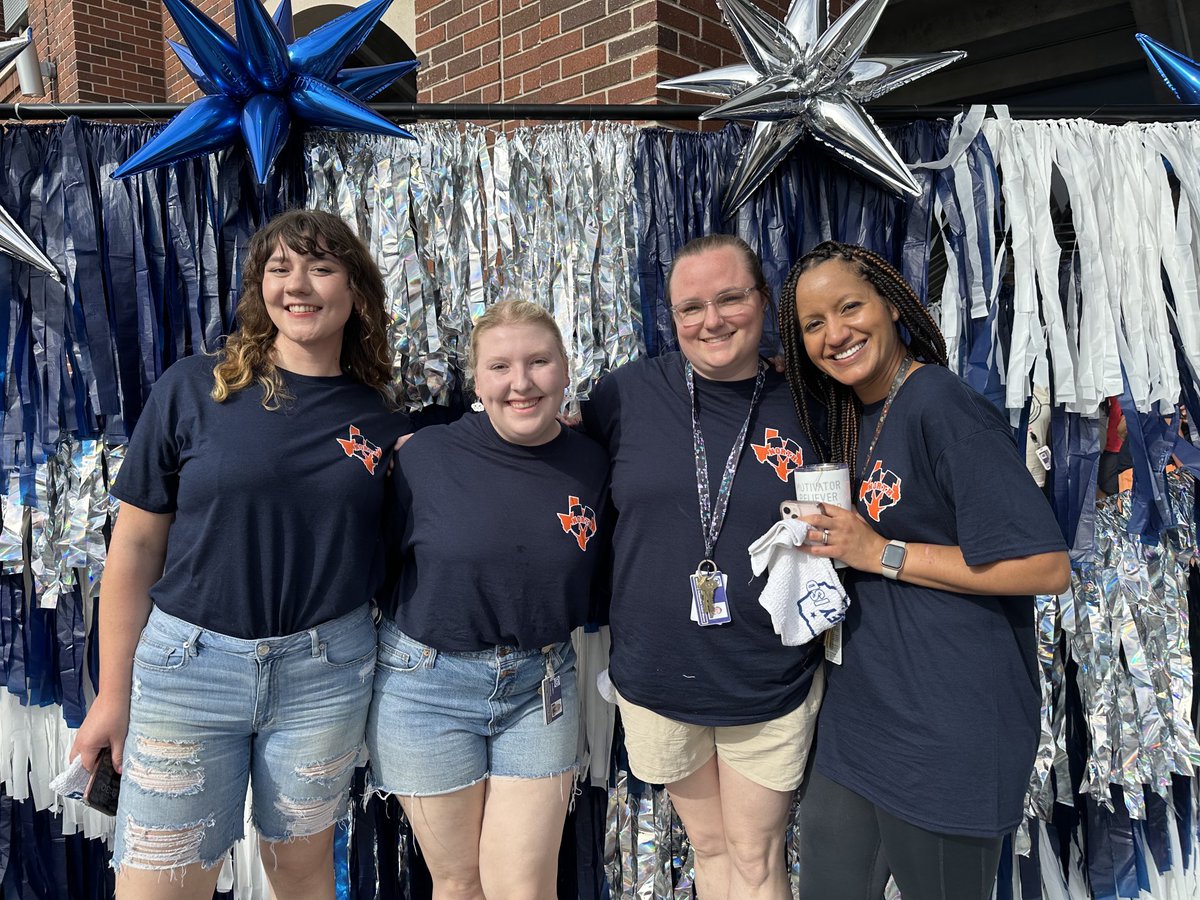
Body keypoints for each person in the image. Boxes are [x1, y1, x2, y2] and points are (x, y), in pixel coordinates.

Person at [70, 209, 409, 900]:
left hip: (326, 675)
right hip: (188, 674)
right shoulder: (194, 387)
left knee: (303, 874)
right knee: (159, 880)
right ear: (260, 289)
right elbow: (133, 549)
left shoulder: (380, 417)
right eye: (279, 269)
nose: (299, 284)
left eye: (320, 266)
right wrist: (112, 694)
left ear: (355, 289)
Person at [777, 240, 1071, 900]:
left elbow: (1046, 566)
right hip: (858, 726)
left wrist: (879, 551)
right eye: (814, 324)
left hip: (947, 731)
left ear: (891, 303)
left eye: (850, 307)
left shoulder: (941, 404)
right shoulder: (853, 414)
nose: (836, 333)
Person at [582, 234, 824, 900]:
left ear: (765, 301)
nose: (710, 321)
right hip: (658, 678)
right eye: (690, 307)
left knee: (755, 856)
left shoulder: (814, 404)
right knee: (712, 849)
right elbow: (548, 465)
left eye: (729, 299)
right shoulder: (624, 395)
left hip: (767, 676)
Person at [366, 299, 609, 900]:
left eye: (539, 362)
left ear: (565, 368)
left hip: (539, 687)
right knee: (459, 882)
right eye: (500, 367)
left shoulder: (594, 463)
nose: (521, 383)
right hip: (426, 689)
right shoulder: (422, 457)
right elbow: (374, 563)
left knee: (524, 888)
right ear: (476, 379)